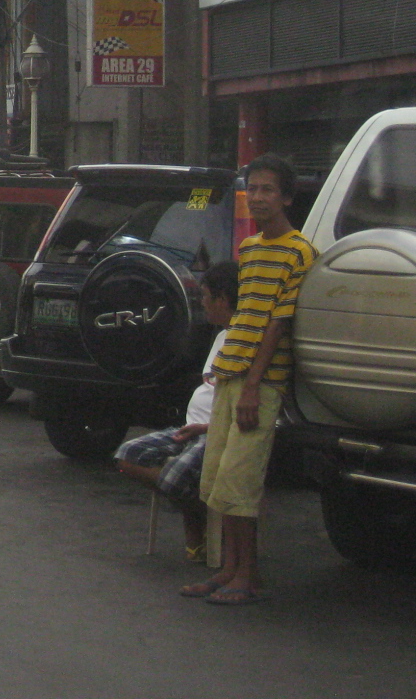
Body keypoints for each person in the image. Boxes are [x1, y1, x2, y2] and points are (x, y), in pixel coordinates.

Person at [181, 154, 316, 606]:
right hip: (229, 373)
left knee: (240, 483)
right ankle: (228, 569)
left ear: (287, 198)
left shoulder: (300, 251)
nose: (258, 197)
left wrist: (254, 386)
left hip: (261, 381)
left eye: (267, 190)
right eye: (252, 189)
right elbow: (247, 315)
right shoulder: (250, 248)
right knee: (219, 479)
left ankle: (248, 575)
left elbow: (278, 322)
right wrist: (228, 374)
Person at [115, 261, 239, 562]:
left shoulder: (244, 342)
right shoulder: (221, 337)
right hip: (190, 427)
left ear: (223, 299)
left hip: (213, 432)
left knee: (174, 479)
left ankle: (198, 528)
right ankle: (199, 511)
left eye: (205, 296)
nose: (202, 303)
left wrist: (206, 428)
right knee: (127, 455)